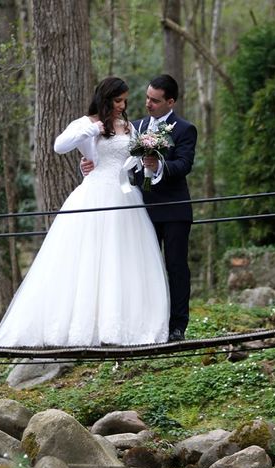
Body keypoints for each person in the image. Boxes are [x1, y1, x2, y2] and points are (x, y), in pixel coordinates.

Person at [0, 77, 169, 348]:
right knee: (89, 257)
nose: (122, 105)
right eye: (118, 100)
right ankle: (81, 326)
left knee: (122, 257)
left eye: (125, 100)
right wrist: (91, 132)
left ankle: (121, 325)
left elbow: (136, 163)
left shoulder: (128, 126)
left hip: (126, 197)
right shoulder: (86, 123)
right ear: (105, 99)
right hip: (94, 194)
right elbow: (60, 145)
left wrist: (149, 161)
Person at [82, 74, 196, 342]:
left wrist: (159, 166)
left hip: (175, 209)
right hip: (141, 210)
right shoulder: (136, 127)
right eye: (146, 98)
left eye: (155, 100)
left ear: (170, 101)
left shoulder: (184, 129)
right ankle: (147, 323)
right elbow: (116, 158)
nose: (148, 104)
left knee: (176, 266)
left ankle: (177, 326)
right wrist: (88, 165)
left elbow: (184, 165)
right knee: (142, 268)